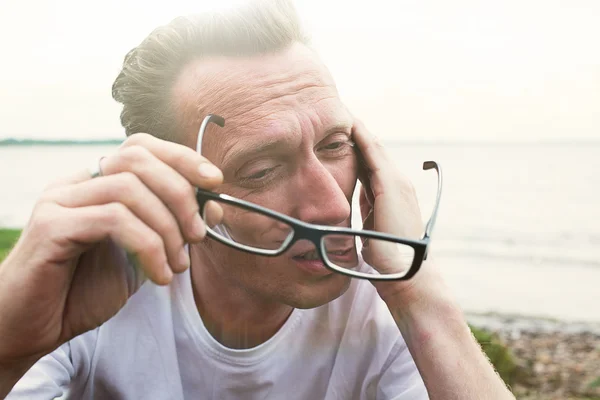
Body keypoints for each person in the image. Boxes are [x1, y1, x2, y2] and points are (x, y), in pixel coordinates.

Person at [0, 1, 514, 399]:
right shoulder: (99, 292)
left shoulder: (382, 307)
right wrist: (12, 341)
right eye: (261, 169)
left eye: (335, 145)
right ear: (172, 184)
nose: (334, 209)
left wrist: (419, 292)